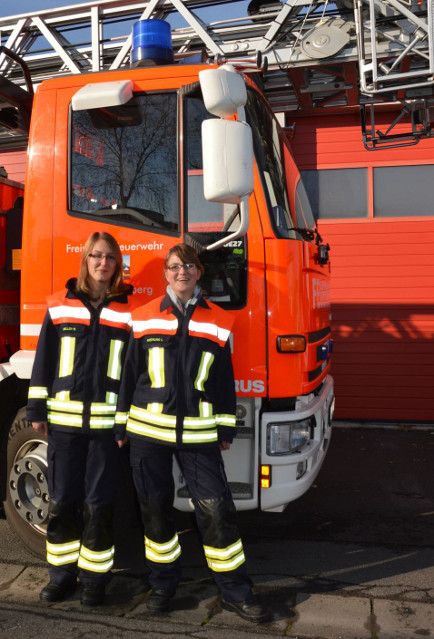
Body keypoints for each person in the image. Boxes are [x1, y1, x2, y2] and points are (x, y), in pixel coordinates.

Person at [115, 243, 270, 623]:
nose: (181, 272)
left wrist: (226, 425)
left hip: (199, 434)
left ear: (199, 271)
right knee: (154, 513)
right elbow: (128, 375)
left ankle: (235, 591)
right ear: (165, 274)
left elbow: (223, 380)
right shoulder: (143, 316)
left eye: (188, 265)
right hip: (147, 434)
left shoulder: (218, 320)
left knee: (216, 510)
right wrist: (121, 422)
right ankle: (164, 584)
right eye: (173, 266)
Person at [27, 231, 133, 607]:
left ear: (117, 265)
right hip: (65, 428)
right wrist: (37, 410)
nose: (103, 263)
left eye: (109, 258)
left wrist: (124, 423)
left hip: (105, 430)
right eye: (96, 257)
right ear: (86, 260)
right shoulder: (59, 306)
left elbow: (133, 375)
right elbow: (43, 363)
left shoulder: (129, 313)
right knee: (62, 502)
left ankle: (94, 580)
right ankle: (61, 577)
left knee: (99, 504)